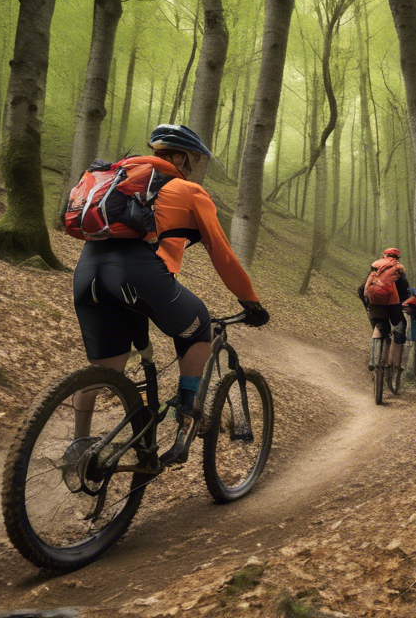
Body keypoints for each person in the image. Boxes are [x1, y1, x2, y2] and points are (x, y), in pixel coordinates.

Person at [72, 124, 269, 465]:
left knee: (103, 371)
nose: (194, 168)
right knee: (199, 324)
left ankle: (79, 450)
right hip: (135, 273)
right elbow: (222, 253)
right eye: (193, 160)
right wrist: (250, 301)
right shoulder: (188, 190)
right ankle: (187, 414)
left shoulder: (119, 181)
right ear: (178, 158)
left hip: (87, 273)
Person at [359, 248, 411, 371]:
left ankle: (373, 360)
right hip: (393, 305)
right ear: (397, 258)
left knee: (379, 324)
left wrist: (367, 305)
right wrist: (403, 303)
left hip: (374, 305)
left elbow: (362, 289)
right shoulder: (398, 269)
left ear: (384, 256)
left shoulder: (376, 267)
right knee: (400, 325)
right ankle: (396, 363)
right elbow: (405, 289)